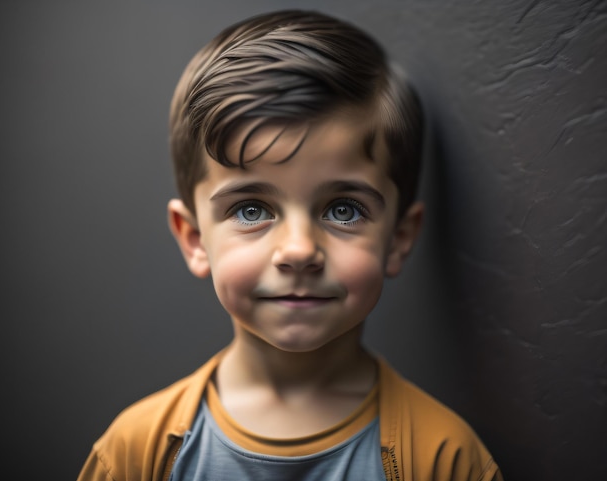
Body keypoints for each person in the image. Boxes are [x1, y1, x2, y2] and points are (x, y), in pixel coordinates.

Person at [77, 10, 503, 481]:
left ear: (399, 238)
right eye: (251, 210)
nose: (299, 250)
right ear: (194, 238)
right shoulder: (137, 453)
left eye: (343, 209)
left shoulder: (442, 459)